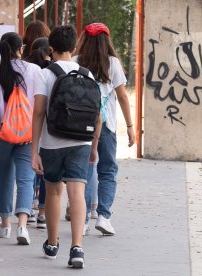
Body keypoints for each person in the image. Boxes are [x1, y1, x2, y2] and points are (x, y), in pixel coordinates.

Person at [31, 25, 101, 269]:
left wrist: (34, 150)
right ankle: (78, 247)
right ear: (74, 48)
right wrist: (94, 146)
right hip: (81, 141)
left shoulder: (45, 74)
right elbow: (97, 115)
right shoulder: (88, 75)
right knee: (77, 193)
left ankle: (52, 243)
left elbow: (39, 112)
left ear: (51, 48)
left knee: (53, 192)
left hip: (53, 142)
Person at [0, 32, 40, 245]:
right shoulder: (34, 71)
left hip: (3, 133)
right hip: (28, 133)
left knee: (4, 178)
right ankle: (22, 225)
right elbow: (42, 102)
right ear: (20, 48)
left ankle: (5, 224)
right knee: (26, 179)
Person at [74, 22, 135, 235]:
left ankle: (82, 221)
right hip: (107, 125)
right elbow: (123, 97)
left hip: (79, 125)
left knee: (83, 171)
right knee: (107, 169)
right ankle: (103, 216)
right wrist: (130, 126)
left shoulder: (75, 62)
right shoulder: (113, 63)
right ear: (106, 41)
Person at [22, 21, 51, 225]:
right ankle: (42, 212)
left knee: (29, 164)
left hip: (26, 121)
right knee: (46, 169)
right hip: (49, 126)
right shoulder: (50, 68)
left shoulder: (24, 65)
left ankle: (29, 204)